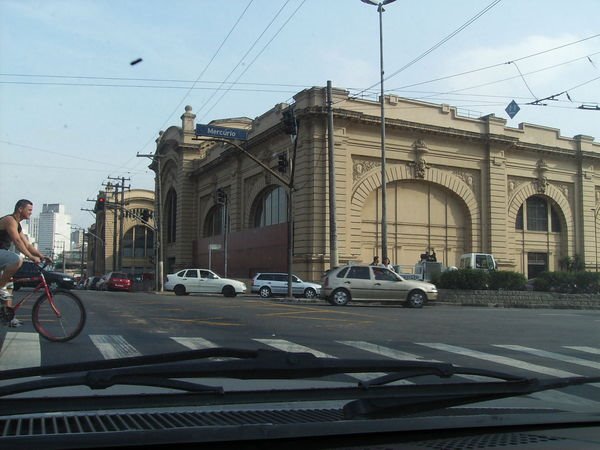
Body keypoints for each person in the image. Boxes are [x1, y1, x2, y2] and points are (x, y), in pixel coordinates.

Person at [0, 199, 50, 327]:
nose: (31, 213)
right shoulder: (9, 220)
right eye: (29, 210)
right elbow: (17, 241)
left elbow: (27, 244)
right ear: (20, 209)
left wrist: (41, 256)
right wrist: (30, 257)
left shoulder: (18, 225)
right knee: (16, 259)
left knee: (8, 286)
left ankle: (8, 317)